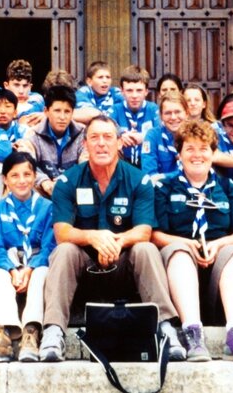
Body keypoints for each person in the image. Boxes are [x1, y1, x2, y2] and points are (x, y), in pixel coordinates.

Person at [38, 115, 185, 362]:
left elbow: (144, 231)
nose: (101, 144)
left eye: (108, 137)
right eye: (94, 138)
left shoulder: (138, 180)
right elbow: (62, 232)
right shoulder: (67, 181)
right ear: (84, 144)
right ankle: (53, 333)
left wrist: (116, 241)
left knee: (146, 249)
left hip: (124, 269)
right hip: (85, 270)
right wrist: (93, 237)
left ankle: (166, 328)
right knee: (63, 251)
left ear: (119, 143)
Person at [152, 120, 233, 362]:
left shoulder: (225, 185)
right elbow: (154, 234)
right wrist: (185, 243)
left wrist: (219, 245)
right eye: (190, 149)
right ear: (179, 154)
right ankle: (192, 333)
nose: (197, 155)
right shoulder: (164, 186)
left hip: (218, 270)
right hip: (178, 271)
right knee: (180, 252)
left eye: (203, 148)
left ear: (213, 153)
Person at [0, 152, 55, 362]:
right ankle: (3, 333)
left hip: (36, 263)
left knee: (43, 273)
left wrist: (30, 268)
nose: (21, 181)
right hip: (11, 263)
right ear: (5, 180)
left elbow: (49, 246)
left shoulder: (47, 208)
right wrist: (11, 269)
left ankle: (31, 331)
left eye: (27, 174)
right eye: (15, 175)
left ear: (35, 176)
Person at [24, 85, 86, 198]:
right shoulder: (32, 134)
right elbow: (26, 164)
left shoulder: (83, 133)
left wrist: (67, 180)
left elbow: (86, 164)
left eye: (67, 111)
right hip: (43, 191)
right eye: (57, 111)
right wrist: (44, 181)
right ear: (46, 111)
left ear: (72, 113)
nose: (62, 117)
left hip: (73, 189)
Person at [111, 65, 160, 168]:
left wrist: (144, 137)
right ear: (122, 91)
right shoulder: (115, 109)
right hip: (121, 163)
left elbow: (161, 133)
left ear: (146, 91)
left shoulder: (154, 109)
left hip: (148, 162)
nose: (134, 95)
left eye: (139, 90)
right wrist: (120, 135)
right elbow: (106, 129)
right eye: (129, 90)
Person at [141, 92, 189, 178]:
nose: (173, 117)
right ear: (161, 116)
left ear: (187, 113)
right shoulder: (152, 136)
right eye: (168, 113)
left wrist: (163, 176)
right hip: (161, 189)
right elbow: (149, 174)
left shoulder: (196, 136)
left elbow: (199, 172)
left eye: (177, 112)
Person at [2, 59, 45, 127]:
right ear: (6, 86)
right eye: (16, 85)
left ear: (30, 87)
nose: (21, 91)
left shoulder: (37, 100)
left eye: (25, 86)